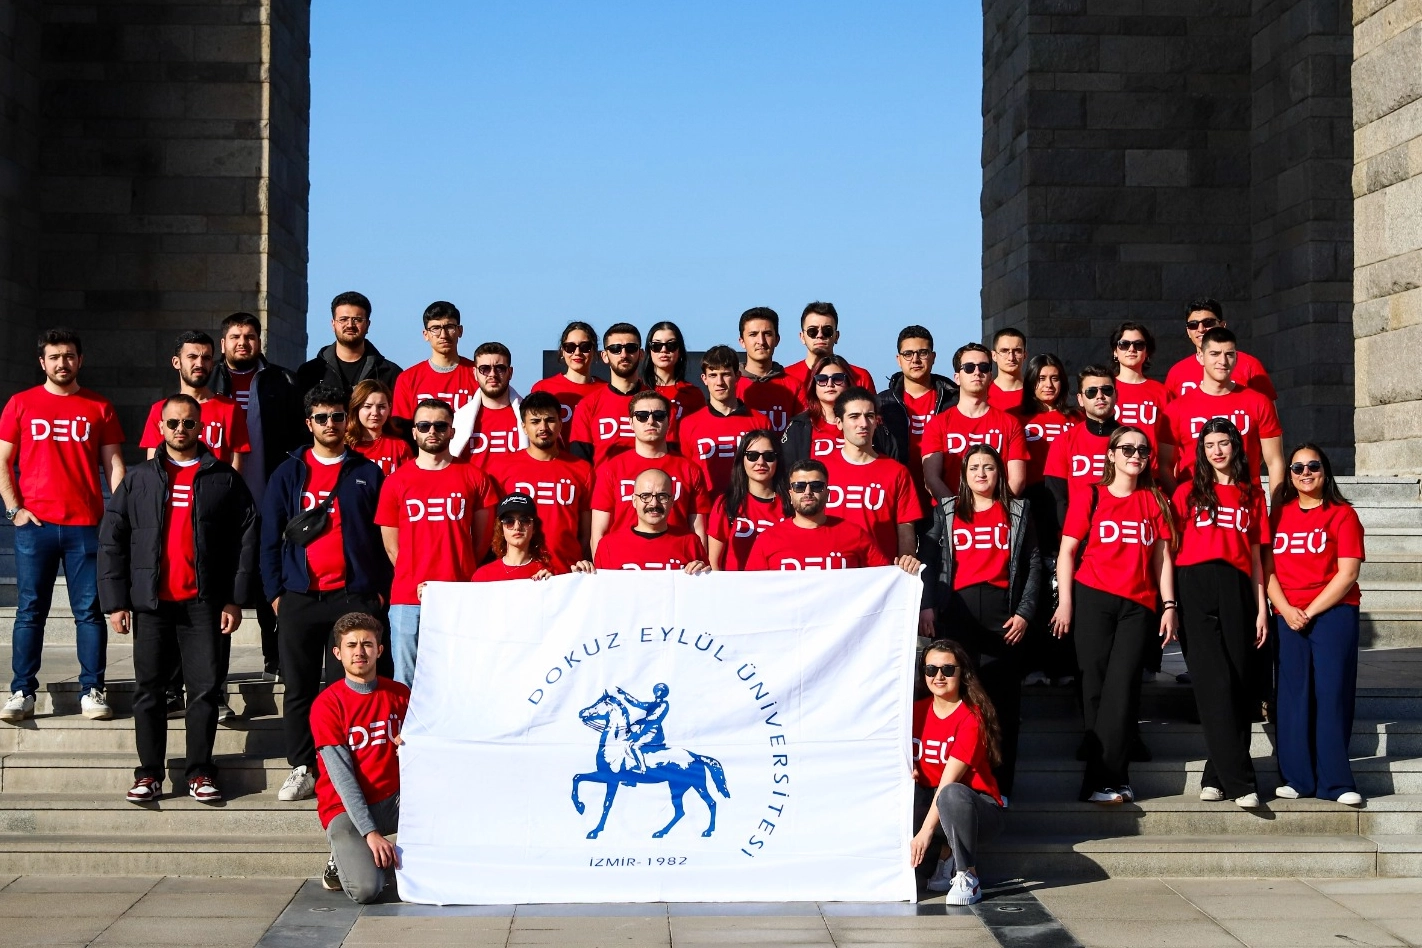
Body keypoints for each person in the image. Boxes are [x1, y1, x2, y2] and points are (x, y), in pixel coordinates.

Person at [98, 395, 258, 804]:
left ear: (200, 427)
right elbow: (112, 540)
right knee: (149, 691)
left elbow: (247, 538)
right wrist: (116, 601)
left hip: (204, 604)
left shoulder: (222, 478)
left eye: (188, 423)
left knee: (204, 690)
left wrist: (235, 598)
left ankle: (200, 771)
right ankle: (149, 773)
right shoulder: (139, 479)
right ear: (160, 428)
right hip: (152, 604)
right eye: (173, 424)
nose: (181, 430)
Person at [261, 385, 390, 803]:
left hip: (351, 598)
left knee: (347, 690)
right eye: (322, 417)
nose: (330, 424)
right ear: (308, 423)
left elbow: (384, 535)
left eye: (337, 416)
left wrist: (378, 591)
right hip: (300, 595)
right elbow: (268, 537)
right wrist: (276, 592)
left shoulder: (366, 472)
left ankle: (343, 769)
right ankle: (302, 765)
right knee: (298, 688)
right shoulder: (288, 473)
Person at [0, 329, 125, 724]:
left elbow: (114, 465)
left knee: (88, 611)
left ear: (80, 360)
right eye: (54, 357)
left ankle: (92, 688)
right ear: (42, 362)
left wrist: (120, 515)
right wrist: (14, 509)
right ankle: (22, 690)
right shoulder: (21, 404)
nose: (62, 363)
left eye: (69, 356)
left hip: (86, 524)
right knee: (29, 611)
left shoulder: (98, 406)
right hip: (34, 525)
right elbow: (3, 460)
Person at [1050, 426, 1178, 804]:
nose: (1135, 455)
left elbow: (1163, 559)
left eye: (1142, 450)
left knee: (1121, 689)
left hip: (1138, 605)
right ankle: (1107, 778)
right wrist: (1065, 602)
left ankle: (1107, 780)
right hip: (1092, 598)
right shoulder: (1090, 494)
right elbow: (1067, 552)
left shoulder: (1155, 499)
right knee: (1094, 688)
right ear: (1111, 454)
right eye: (1127, 448)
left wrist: (1169, 605)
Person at [929, 444, 1040, 798]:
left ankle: (999, 786)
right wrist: (927, 605)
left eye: (989, 467)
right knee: (960, 703)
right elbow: (930, 560)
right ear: (963, 474)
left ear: (999, 473)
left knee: (1002, 705)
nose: (981, 473)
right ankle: (959, 784)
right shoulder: (946, 511)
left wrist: (1024, 612)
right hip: (957, 613)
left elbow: (1034, 563)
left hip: (1002, 616)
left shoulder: (1018, 511)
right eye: (974, 467)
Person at [1173, 419, 1271, 809]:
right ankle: (1241, 782)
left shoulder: (1252, 493)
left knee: (1238, 680)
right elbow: (1169, 549)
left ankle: (1215, 773)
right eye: (1209, 444)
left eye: (1224, 443)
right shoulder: (1187, 493)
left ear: (1235, 447)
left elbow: (1257, 556)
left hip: (1237, 586)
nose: (1217, 450)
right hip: (1194, 584)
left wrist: (1261, 606)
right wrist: (1170, 603)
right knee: (1212, 681)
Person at [1266, 444, 1366, 807]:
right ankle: (1297, 778)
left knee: (1331, 694)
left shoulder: (1343, 515)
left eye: (1313, 466)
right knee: (1292, 697)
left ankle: (1336, 783)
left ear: (1325, 470)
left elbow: (1348, 573)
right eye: (1297, 468)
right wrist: (1286, 609)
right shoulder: (1278, 514)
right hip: (1288, 614)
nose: (1305, 473)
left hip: (1332, 613)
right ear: (1289, 475)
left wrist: (1308, 610)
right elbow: (1267, 568)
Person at [376, 398, 496, 685]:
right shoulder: (395, 482)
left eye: (441, 425)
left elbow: (481, 541)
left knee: (459, 679)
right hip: (407, 597)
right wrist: (414, 571)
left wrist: (459, 570)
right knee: (407, 681)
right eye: (424, 425)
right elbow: (393, 546)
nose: (433, 431)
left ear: (452, 431)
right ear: (414, 432)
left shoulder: (474, 476)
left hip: (459, 594)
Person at [212, 312, 306, 678]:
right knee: (223, 585)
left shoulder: (282, 381)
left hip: (269, 497)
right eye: (235, 336)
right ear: (223, 343)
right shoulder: (210, 381)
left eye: (250, 336)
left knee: (271, 579)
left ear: (259, 341)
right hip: (220, 503)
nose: (242, 342)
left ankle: (275, 658)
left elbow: (298, 441)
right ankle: (214, 670)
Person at [312, 612, 409, 904]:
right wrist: (370, 833)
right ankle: (340, 860)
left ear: (379, 650)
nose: (359, 651)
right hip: (345, 806)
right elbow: (342, 779)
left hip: (393, 799)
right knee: (367, 890)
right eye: (351, 645)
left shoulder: (400, 694)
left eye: (367, 644)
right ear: (338, 653)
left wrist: (414, 746)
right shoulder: (327, 705)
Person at [910, 639, 1006, 906]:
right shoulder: (913, 712)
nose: (938, 676)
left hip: (977, 811)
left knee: (951, 793)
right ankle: (944, 856)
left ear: (962, 672)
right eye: (931, 669)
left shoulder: (970, 718)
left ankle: (968, 876)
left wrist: (925, 832)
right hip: (932, 804)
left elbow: (947, 783)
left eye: (948, 670)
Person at [1016, 353, 1079, 687]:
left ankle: (1064, 661)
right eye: (1041, 379)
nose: (1049, 385)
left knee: (1064, 582)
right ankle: (1035, 661)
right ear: (1031, 382)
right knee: (1035, 578)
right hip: (1033, 501)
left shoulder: (1077, 418)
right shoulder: (1018, 419)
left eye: (1054, 378)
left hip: (1070, 501)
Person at [483, 391, 593, 573]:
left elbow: (586, 532)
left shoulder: (582, 469)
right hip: (517, 576)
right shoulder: (500, 469)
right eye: (535, 421)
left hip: (565, 576)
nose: (543, 427)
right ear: (524, 427)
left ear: (560, 424)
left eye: (549, 420)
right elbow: (492, 528)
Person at [1161, 327, 1284, 489]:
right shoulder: (1176, 409)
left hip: (1246, 503)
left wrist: (1275, 510)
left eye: (1229, 354)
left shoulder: (1259, 402)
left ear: (1236, 357)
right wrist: (1180, 504)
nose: (1223, 361)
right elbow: (1164, 466)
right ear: (1200, 357)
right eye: (1214, 354)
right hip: (1195, 504)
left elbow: (1275, 461)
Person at [746, 460, 922, 573]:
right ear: (790, 494)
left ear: (828, 494)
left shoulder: (854, 534)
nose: (808, 492)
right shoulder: (768, 539)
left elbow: (885, 581)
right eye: (800, 486)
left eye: (816, 486)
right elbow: (751, 592)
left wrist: (905, 570)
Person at [589, 391, 711, 554]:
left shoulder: (690, 470)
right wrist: (605, 575)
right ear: (631, 423)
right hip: (623, 566)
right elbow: (599, 533)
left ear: (669, 422)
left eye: (659, 415)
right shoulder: (611, 469)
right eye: (642, 416)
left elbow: (698, 531)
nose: (651, 421)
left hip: (676, 567)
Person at [822, 387, 922, 563]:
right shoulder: (821, 469)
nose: (863, 423)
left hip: (879, 574)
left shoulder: (896, 472)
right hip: (831, 572)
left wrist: (907, 559)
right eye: (854, 417)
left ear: (877, 421)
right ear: (839, 422)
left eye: (869, 416)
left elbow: (905, 525)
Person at [922, 344, 1028, 500]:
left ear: (990, 376)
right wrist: (957, 513)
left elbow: (1017, 480)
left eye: (984, 367)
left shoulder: (1011, 423)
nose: (977, 372)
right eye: (969, 367)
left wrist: (995, 512)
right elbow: (932, 480)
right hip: (952, 517)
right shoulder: (937, 424)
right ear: (957, 377)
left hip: (1000, 516)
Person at [139, 331, 250, 471]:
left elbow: (236, 467)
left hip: (215, 490)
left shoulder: (230, 409)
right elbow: (153, 466)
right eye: (192, 357)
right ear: (176, 362)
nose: (200, 364)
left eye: (206, 358)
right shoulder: (160, 410)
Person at [878, 326, 958, 504]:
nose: (915, 359)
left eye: (922, 352)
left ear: (933, 357)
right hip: (899, 501)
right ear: (898, 359)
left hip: (947, 498)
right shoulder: (881, 404)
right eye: (908, 354)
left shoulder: (954, 399)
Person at [678, 345, 770, 494]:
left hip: (748, 508)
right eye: (713, 375)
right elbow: (687, 474)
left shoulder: (760, 422)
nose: (719, 382)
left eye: (725, 374)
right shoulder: (688, 424)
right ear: (704, 379)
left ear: (738, 376)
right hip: (707, 509)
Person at [585, 469, 711, 573]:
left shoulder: (690, 542)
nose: (654, 503)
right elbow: (599, 594)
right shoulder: (609, 545)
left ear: (672, 501)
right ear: (634, 501)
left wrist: (703, 573)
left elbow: (704, 592)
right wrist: (582, 573)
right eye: (645, 496)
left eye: (662, 496)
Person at [781, 355, 897, 468]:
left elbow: (889, 465)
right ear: (813, 385)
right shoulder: (799, 426)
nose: (830, 384)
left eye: (837, 378)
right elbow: (787, 471)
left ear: (848, 382)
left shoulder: (870, 423)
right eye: (822, 379)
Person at [1044, 366, 1121, 525]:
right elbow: (1057, 497)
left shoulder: (1131, 440)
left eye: (1106, 390)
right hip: (1078, 536)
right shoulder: (1064, 441)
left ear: (1116, 394)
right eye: (1091, 392)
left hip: (1120, 532)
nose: (1100, 396)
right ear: (1080, 399)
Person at [707, 430, 791, 571]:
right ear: (742, 459)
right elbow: (713, 562)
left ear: (778, 460)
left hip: (779, 588)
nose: (761, 462)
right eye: (752, 456)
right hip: (736, 589)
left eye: (769, 456)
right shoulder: (726, 503)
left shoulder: (791, 503)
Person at [568, 323, 650, 466]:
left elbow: (669, 457)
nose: (623, 355)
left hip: (650, 487)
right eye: (615, 349)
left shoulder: (658, 404)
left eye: (631, 348)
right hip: (604, 488)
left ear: (641, 354)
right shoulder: (588, 405)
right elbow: (580, 466)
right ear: (605, 356)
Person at [296, 291, 403, 401]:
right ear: (333, 324)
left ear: (368, 325)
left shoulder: (390, 373)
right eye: (343, 319)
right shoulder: (310, 372)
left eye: (357, 319)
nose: (350, 325)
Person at [1165, 297, 1277, 400]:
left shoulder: (1250, 365)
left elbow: (1268, 414)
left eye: (1208, 322)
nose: (1201, 329)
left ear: (1222, 325)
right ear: (1188, 332)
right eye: (1193, 325)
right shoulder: (1177, 372)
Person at [392, 301, 479, 426]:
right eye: (435, 329)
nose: (443, 335)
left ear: (460, 331)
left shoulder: (479, 374)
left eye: (449, 327)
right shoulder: (408, 379)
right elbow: (401, 428)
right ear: (425, 334)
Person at [451, 341, 526, 462]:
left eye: (500, 368)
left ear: (510, 372)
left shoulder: (531, 418)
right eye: (484, 369)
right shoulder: (458, 420)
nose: (492, 374)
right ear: (475, 374)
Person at [780, 302, 875, 394]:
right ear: (802, 337)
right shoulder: (785, 377)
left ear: (836, 336)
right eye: (812, 331)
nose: (820, 335)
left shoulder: (860, 377)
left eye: (827, 331)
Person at [1110, 321, 1171, 461]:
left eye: (1139, 345)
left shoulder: (1162, 392)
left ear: (1147, 351)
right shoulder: (1105, 388)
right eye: (1124, 344)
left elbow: (1169, 440)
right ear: (1115, 351)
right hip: (1111, 472)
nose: (1131, 349)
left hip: (1151, 474)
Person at [736, 306, 802, 433]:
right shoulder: (730, 385)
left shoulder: (795, 387)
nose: (761, 341)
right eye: (753, 334)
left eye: (767, 334)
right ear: (742, 342)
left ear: (777, 340)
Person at [472, 494, 557, 581]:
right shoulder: (482, 576)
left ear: (534, 527)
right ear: (501, 528)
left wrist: (552, 584)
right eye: (509, 521)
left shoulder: (547, 574)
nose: (517, 527)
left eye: (524, 520)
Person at [531, 321, 602, 426]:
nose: (577, 352)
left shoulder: (605, 390)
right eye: (570, 347)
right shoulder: (543, 388)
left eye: (584, 347)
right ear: (562, 351)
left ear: (594, 350)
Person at [641, 320, 705, 423]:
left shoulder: (693, 394)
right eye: (657, 345)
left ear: (679, 350)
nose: (664, 350)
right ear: (649, 350)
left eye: (671, 345)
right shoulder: (639, 391)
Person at [346, 380, 412, 477]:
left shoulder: (400, 447)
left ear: (389, 408)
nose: (375, 413)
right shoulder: (344, 445)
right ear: (356, 408)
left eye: (381, 407)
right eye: (367, 406)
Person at [615, 683, 668, 774]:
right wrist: (624, 694)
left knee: (635, 746)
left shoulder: (664, 704)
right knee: (625, 743)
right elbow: (637, 703)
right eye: (657, 690)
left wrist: (638, 722)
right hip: (645, 731)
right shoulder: (652, 704)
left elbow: (654, 717)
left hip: (654, 733)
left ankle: (642, 769)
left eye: (660, 690)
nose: (657, 692)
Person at [987, 328, 1027, 413]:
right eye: (1004, 351)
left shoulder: (1037, 393)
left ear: (1025, 355)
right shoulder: (983, 394)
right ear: (994, 355)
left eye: (1017, 351)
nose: (1011, 358)